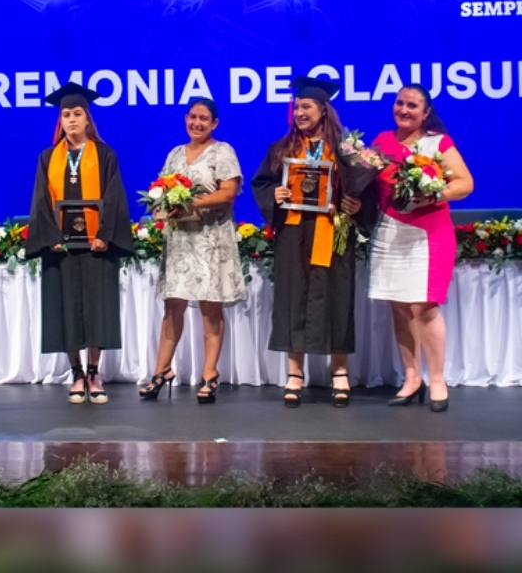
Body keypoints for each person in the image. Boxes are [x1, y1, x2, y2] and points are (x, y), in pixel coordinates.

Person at [252, 76, 377, 408]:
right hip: (294, 235)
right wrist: (274, 195)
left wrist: (358, 205)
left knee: (337, 298)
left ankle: (340, 373)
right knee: (294, 298)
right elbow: (263, 184)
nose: (299, 113)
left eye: (306, 107)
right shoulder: (282, 149)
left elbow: (368, 191)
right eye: (296, 107)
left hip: (333, 232)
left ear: (324, 110)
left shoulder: (348, 150)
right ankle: (295, 374)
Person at [24, 82, 134, 404]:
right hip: (62, 247)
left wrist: (104, 235)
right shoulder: (48, 158)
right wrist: (52, 238)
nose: (71, 120)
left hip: (96, 245)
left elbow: (114, 199)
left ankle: (95, 372)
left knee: (96, 308)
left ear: (88, 118)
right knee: (67, 307)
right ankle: (75, 373)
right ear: (60, 120)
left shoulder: (104, 155)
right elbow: (41, 201)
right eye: (66, 114)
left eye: (77, 113)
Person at [368, 84, 473, 412]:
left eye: (412, 105)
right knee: (399, 308)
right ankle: (412, 378)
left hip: (428, 235)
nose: (403, 110)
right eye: (399, 103)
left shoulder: (437, 142)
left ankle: (438, 379)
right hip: (389, 232)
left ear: (426, 112)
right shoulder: (381, 142)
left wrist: (433, 193)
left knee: (424, 308)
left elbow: (464, 183)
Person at [139, 97, 246, 404]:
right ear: (186, 119)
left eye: (204, 118)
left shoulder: (222, 151)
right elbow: (162, 189)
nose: (197, 123)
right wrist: (163, 207)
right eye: (192, 117)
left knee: (210, 308)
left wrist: (191, 202)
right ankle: (161, 371)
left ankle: (210, 374)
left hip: (210, 241)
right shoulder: (174, 154)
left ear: (215, 123)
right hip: (180, 242)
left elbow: (228, 192)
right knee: (172, 307)